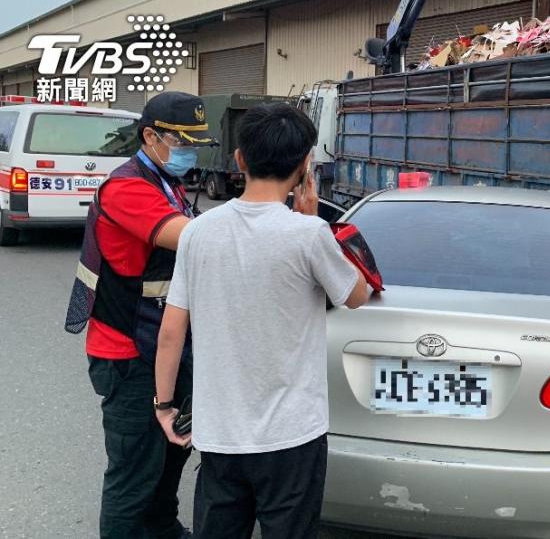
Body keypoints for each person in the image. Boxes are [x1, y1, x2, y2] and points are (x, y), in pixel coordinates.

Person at [153, 103, 370, 539]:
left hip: (220, 436)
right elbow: (355, 296)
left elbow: (171, 331)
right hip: (293, 438)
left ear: (239, 160)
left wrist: (164, 406)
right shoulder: (309, 235)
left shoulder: (197, 231)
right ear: (306, 165)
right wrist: (312, 223)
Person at [63, 91, 218, 539]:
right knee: (133, 477)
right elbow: (195, 239)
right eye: (180, 141)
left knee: (169, 461)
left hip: (164, 350)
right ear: (150, 137)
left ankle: (164, 529)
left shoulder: (165, 183)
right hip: (130, 356)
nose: (188, 152)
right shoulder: (128, 187)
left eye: (196, 143)